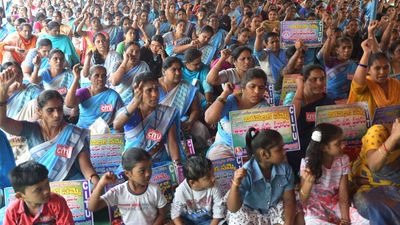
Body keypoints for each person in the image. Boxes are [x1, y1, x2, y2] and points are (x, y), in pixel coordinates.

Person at [0, 68, 99, 184]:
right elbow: (3, 122)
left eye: (59, 109)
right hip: (42, 190)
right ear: (39, 111)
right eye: (50, 110)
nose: (57, 115)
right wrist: (2, 95)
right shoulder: (32, 129)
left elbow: (87, 168)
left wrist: (96, 181)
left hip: (72, 189)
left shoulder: (74, 134)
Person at [299, 123, 368, 225]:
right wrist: (308, 182)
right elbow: (302, 199)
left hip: (336, 205)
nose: (343, 145)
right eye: (338, 143)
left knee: (365, 221)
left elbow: (343, 195)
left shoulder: (343, 160)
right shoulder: (307, 164)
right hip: (315, 208)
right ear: (324, 148)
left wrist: (345, 219)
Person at [226, 127, 296, 225]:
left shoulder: (285, 169)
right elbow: (233, 208)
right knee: (238, 221)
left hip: (273, 209)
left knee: (295, 216)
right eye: (279, 149)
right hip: (250, 211)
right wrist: (235, 185)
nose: (284, 152)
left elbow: (289, 200)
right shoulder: (247, 172)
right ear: (264, 154)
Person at [113, 71, 185, 165]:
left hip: (159, 162)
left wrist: (177, 165)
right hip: (134, 164)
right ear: (138, 92)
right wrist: (135, 102)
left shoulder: (167, 113)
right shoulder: (129, 111)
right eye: (149, 90)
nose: (155, 94)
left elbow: (172, 142)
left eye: (156, 89)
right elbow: (116, 125)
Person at [88, 148, 167, 225]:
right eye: (142, 171)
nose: (148, 174)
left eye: (149, 168)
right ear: (127, 174)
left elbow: (162, 214)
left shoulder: (154, 189)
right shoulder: (118, 192)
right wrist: (100, 184)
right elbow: (92, 207)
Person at [284, 64, 335, 180]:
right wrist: (299, 90)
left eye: (322, 79)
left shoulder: (327, 100)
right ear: (304, 80)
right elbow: (290, 119)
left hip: (318, 144)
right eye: (313, 80)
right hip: (296, 145)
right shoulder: (293, 97)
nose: (319, 83)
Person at [205, 68, 269, 160]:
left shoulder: (264, 108)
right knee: (217, 159)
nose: (257, 91)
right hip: (225, 147)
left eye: (261, 87)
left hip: (251, 150)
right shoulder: (231, 100)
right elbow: (209, 119)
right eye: (252, 86)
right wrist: (225, 93)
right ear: (243, 87)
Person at [351, 118, 400, 224]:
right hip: (370, 191)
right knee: (375, 207)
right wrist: (394, 138)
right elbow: (374, 165)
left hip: (396, 189)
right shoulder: (377, 131)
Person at [3, 161, 74, 224]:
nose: (46, 191)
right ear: (20, 196)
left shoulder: (57, 202)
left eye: (47, 184)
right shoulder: (12, 211)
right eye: (38, 190)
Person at [348, 39, 400, 117]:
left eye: (386, 67)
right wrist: (366, 53)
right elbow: (358, 85)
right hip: (370, 127)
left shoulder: (395, 83)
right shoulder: (367, 84)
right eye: (377, 68)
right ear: (368, 70)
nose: (382, 72)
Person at [65, 65, 123, 130]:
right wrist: (76, 79)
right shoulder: (84, 92)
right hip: (84, 130)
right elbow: (69, 104)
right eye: (97, 75)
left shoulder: (113, 95)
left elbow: (121, 115)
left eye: (103, 76)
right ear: (90, 78)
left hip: (106, 132)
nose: (100, 79)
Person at [171, 155, 225, 225]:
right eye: (208, 177)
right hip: (189, 221)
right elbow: (175, 214)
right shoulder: (181, 191)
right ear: (192, 182)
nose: (213, 178)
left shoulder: (214, 185)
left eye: (213, 174)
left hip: (210, 220)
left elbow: (219, 209)